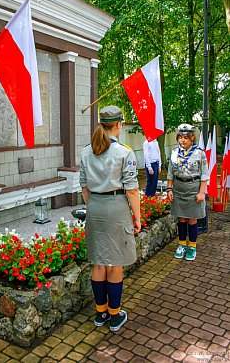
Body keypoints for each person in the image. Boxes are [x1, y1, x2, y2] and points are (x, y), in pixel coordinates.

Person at [80, 105, 141, 332]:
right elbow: (132, 191)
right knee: (114, 263)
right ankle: (115, 316)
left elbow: (84, 187)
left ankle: (100, 312)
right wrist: (137, 217)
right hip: (116, 208)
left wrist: (95, 206)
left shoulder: (86, 151)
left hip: (95, 207)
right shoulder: (124, 152)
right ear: (118, 125)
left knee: (99, 261)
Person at [166, 123, 209, 261]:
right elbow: (170, 173)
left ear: (192, 139)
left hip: (193, 189)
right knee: (181, 218)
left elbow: (204, 175)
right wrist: (169, 189)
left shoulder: (199, 153)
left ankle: (192, 246)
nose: (183, 140)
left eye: (186, 137)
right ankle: (182, 244)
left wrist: (201, 193)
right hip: (179, 189)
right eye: (180, 137)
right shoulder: (174, 153)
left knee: (192, 219)